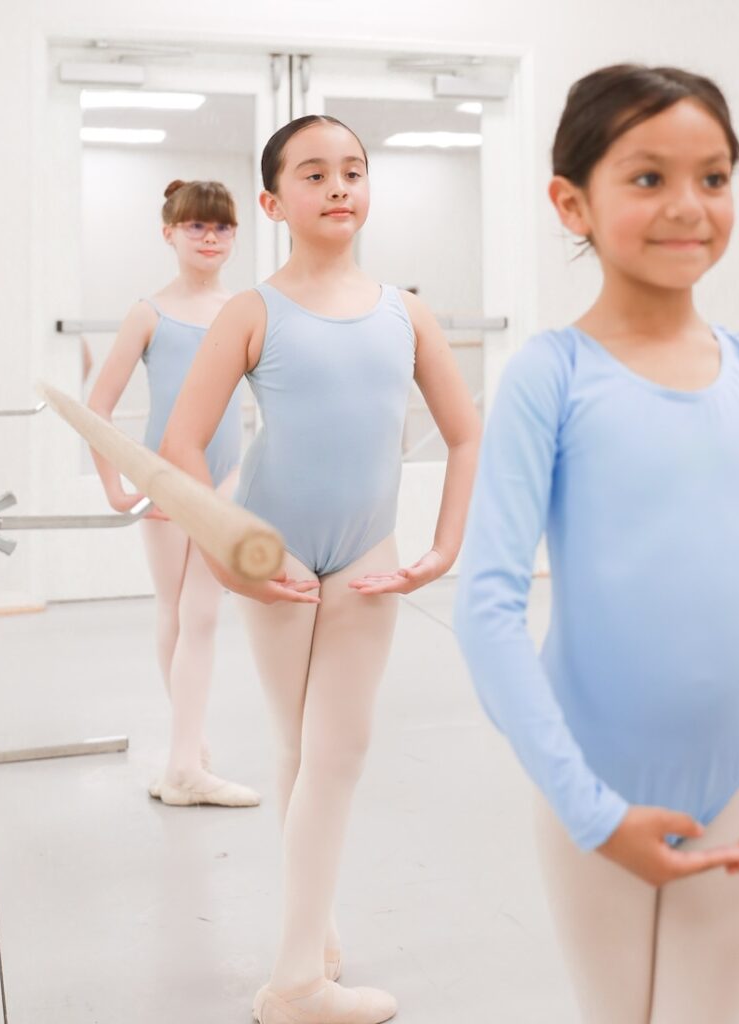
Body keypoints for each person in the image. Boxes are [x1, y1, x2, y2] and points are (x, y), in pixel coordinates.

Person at [453, 64, 739, 1024]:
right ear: (572, 201)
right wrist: (589, 809)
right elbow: (485, 607)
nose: (688, 207)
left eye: (716, 177)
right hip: (591, 783)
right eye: (648, 178)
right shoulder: (550, 378)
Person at [159, 115, 481, 1024]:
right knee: (306, 750)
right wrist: (231, 554)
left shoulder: (403, 310)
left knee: (331, 752)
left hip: (368, 550)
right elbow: (183, 442)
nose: (338, 187)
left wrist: (444, 546)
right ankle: (297, 982)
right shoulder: (252, 311)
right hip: (278, 547)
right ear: (273, 201)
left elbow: (464, 431)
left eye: (353, 171)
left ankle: (313, 940)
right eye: (313, 175)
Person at [88, 179, 260, 808]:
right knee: (176, 613)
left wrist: (252, 480)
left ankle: (185, 760)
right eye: (196, 227)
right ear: (170, 234)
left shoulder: (245, 309)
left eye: (221, 228)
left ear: (236, 237)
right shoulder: (149, 313)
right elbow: (98, 406)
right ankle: (187, 755)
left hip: (227, 483)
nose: (210, 237)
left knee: (203, 614)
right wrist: (117, 488)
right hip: (164, 483)